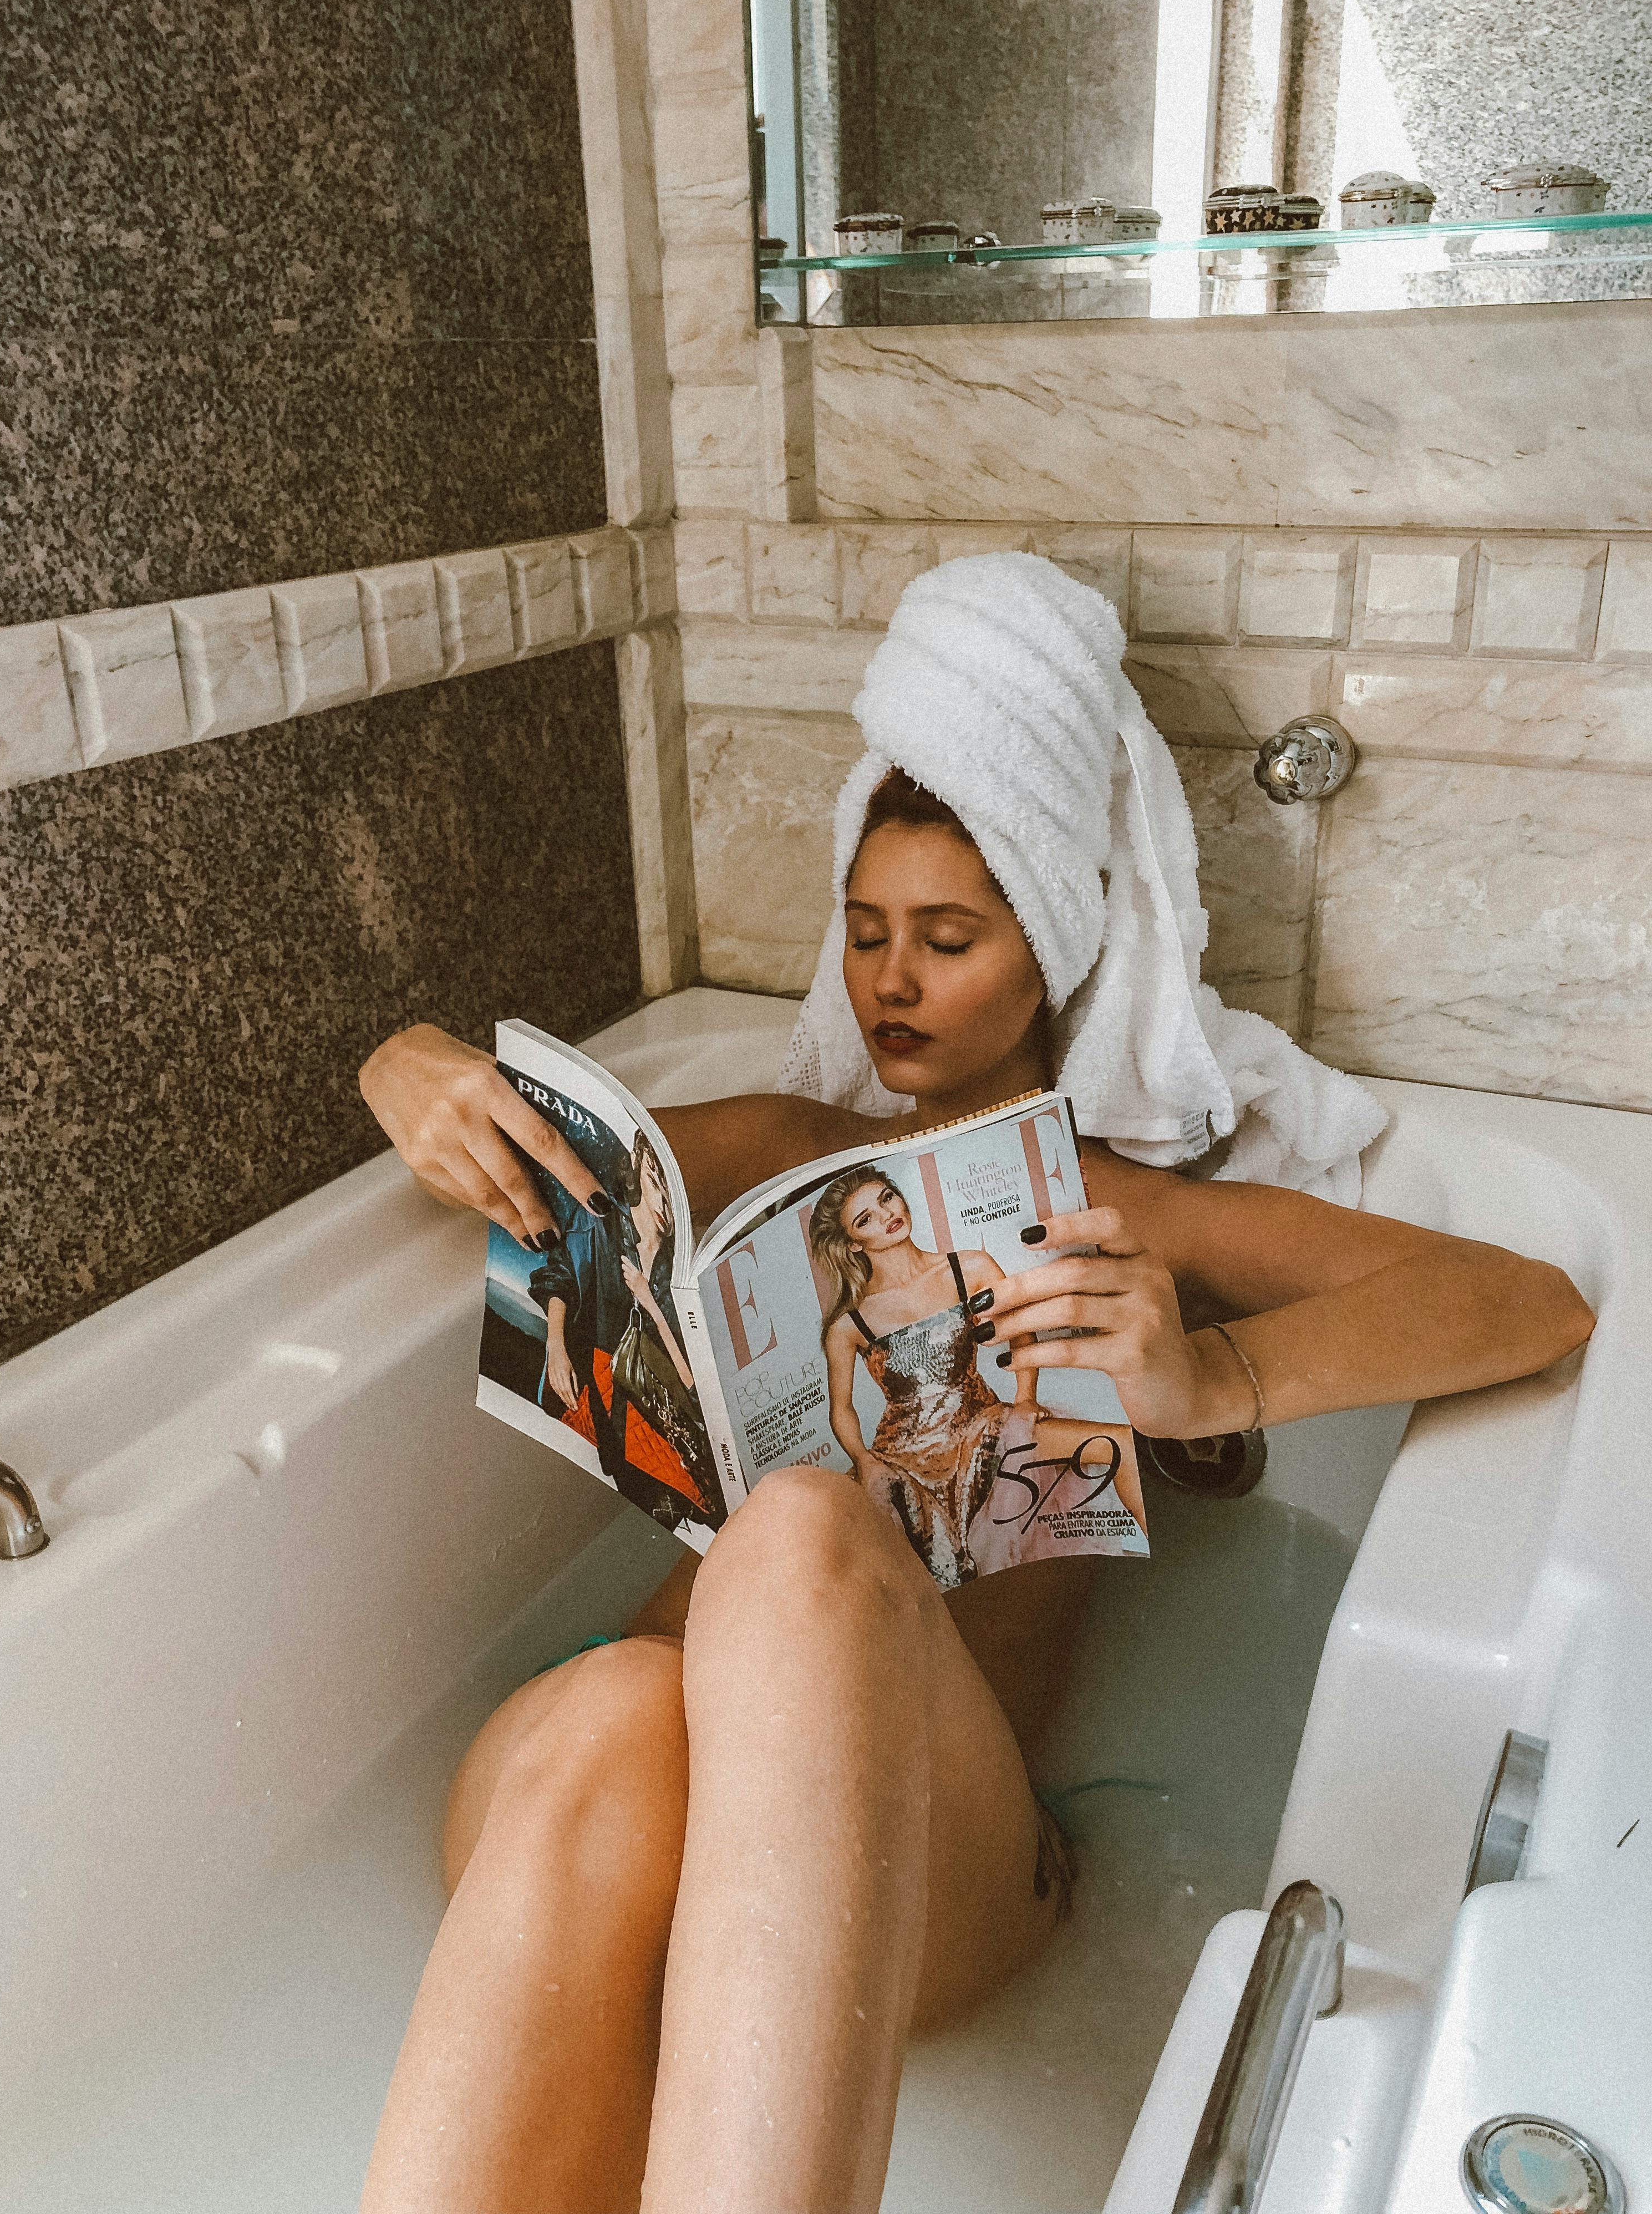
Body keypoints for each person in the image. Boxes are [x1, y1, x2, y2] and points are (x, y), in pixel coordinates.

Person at [354, 562, 1596, 2214]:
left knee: (795, 1538)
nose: (893, 984)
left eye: (950, 939)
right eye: (868, 935)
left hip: (918, 1878)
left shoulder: (1112, 1209)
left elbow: (1526, 1298)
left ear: (1055, 948)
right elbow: (506, 1146)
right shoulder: (789, 1151)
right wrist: (416, 1067)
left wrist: (1207, 1373)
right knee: (612, 1700)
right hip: (592, 1819)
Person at [809, 1164, 1141, 1587]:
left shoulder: (969, 1267)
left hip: (982, 1426)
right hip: (904, 1459)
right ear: (854, 1244)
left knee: (1120, 1445)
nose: (885, 1214)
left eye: (886, 1198)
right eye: (865, 1219)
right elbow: (842, 1408)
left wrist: (1025, 1397)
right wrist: (863, 1460)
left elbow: (1020, 1331)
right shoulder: (848, 1323)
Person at [528, 1127, 723, 1535]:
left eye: (675, 1196)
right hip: (598, 1393)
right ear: (640, 1170)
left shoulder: (678, 1265)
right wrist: (557, 1346)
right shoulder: (601, 1224)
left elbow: (688, 1368)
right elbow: (558, 1278)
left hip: (654, 1418)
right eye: (656, 1184)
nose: (665, 1207)